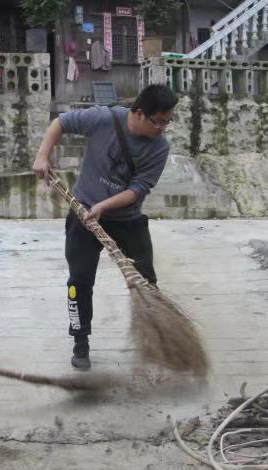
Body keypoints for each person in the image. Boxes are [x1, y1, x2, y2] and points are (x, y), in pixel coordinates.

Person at [32, 84, 177, 371]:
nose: (163, 128)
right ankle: (80, 342)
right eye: (159, 121)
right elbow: (60, 123)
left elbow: (138, 189)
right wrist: (42, 155)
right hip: (82, 216)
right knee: (79, 282)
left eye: (167, 121)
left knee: (146, 282)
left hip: (127, 221)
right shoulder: (103, 119)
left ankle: (158, 342)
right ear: (138, 113)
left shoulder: (160, 148)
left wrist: (103, 206)